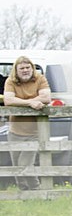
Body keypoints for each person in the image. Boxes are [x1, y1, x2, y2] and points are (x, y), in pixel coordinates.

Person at [3, 56, 51, 190]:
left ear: (32, 68)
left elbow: (46, 97)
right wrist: (31, 103)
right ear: (16, 70)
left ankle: (36, 189)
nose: (25, 70)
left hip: (35, 132)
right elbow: (8, 100)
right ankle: (24, 192)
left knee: (24, 164)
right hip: (15, 131)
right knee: (16, 166)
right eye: (22, 68)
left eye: (27, 67)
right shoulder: (10, 81)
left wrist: (22, 102)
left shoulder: (40, 79)